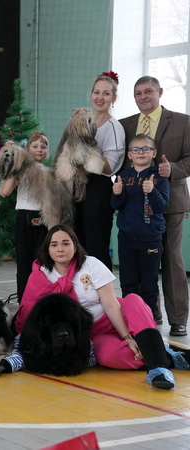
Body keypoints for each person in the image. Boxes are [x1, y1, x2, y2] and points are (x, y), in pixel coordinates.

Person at [13, 225, 188, 390]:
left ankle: (158, 369)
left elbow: (111, 304)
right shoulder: (42, 274)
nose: (60, 249)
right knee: (108, 357)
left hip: (120, 316)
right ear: (47, 249)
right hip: (94, 331)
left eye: (66, 243)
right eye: (54, 245)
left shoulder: (91, 264)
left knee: (133, 300)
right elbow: (31, 310)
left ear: (75, 246)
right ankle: (169, 355)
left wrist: (126, 336)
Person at [120, 75, 190, 337]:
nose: (143, 97)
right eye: (138, 93)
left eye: (148, 91)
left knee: (171, 258)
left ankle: (178, 319)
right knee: (138, 264)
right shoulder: (125, 125)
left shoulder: (183, 121)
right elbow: (120, 161)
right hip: (134, 205)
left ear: (159, 92)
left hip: (170, 201)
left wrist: (172, 169)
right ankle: (149, 314)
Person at [111, 134, 169, 320]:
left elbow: (162, 207)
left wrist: (152, 192)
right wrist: (117, 194)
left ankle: (149, 318)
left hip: (150, 238)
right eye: (136, 149)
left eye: (145, 149)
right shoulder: (122, 177)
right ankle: (130, 317)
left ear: (154, 153)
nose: (140, 152)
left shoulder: (160, 177)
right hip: (126, 239)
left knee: (149, 282)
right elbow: (116, 205)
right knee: (128, 281)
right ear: (129, 155)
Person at [75, 71, 126, 271]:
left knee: (96, 246)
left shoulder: (114, 127)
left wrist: (85, 153)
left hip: (99, 188)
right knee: (79, 245)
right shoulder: (85, 123)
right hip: (80, 185)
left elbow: (109, 166)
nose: (100, 97)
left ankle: (103, 288)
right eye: (97, 92)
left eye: (106, 93)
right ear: (91, 94)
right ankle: (82, 287)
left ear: (114, 98)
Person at [0, 132, 49, 302]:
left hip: (43, 219)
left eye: (43, 147)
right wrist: (16, 166)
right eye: (35, 146)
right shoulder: (20, 170)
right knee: (23, 264)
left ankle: (40, 302)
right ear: (27, 149)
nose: (39, 150)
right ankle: (24, 303)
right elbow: (5, 191)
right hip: (24, 218)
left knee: (41, 264)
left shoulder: (49, 172)